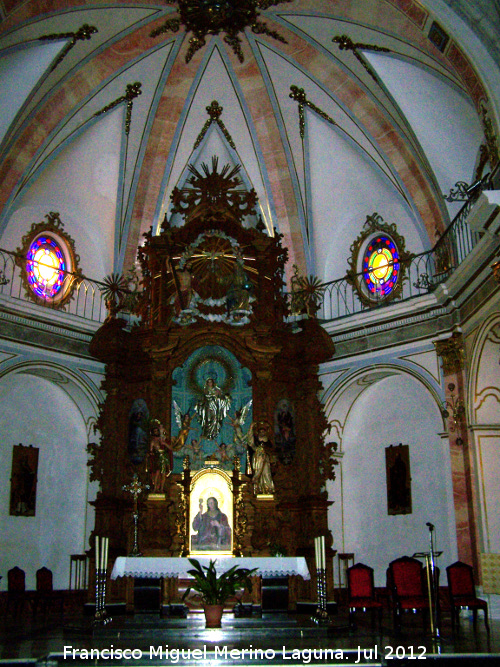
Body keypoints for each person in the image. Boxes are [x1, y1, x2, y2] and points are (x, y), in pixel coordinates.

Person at [248, 422, 275, 495]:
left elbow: (271, 450)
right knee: (258, 472)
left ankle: (268, 489)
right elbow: (250, 442)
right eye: (260, 432)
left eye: (263, 432)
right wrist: (251, 428)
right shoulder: (256, 441)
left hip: (265, 459)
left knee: (266, 473)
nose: (262, 433)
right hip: (257, 459)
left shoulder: (268, 442)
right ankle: (258, 488)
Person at [148, 421, 171, 493]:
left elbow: (170, 448)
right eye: (155, 431)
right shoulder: (153, 441)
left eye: (157, 431)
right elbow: (151, 450)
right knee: (157, 472)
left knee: (163, 473)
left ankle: (161, 488)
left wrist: (164, 444)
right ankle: (155, 488)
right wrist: (151, 453)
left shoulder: (163, 440)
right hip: (157, 457)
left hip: (164, 457)